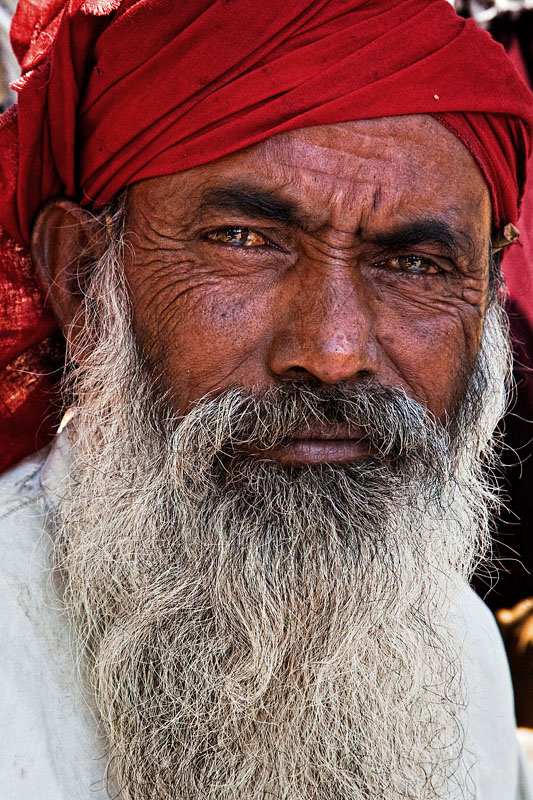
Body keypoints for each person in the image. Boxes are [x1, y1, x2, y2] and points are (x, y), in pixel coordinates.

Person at [0, 0, 532, 798]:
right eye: (246, 241)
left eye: (416, 264)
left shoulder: (457, 645)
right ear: (81, 275)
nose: (332, 351)